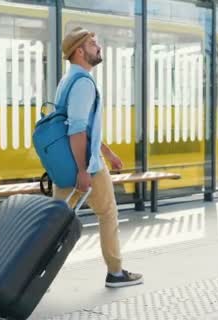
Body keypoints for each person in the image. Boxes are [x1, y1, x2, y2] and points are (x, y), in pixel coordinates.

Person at [52, 27, 143, 288]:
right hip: (85, 165)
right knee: (108, 214)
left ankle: (28, 272)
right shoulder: (83, 83)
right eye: (93, 44)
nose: (99, 47)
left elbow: (81, 127)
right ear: (79, 51)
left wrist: (108, 152)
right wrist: (83, 170)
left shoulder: (67, 80)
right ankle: (115, 272)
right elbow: (77, 129)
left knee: (53, 226)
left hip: (66, 163)